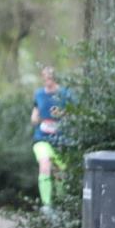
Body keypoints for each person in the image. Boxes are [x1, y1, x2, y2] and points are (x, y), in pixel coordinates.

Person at [31, 66, 69, 211]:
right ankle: (46, 205)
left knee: (60, 173)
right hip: (42, 138)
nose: (47, 80)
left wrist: (62, 114)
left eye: (50, 77)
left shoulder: (65, 93)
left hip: (61, 140)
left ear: (55, 78)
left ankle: (61, 206)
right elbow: (35, 115)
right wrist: (36, 119)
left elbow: (75, 113)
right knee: (45, 164)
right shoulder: (39, 94)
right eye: (45, 77)